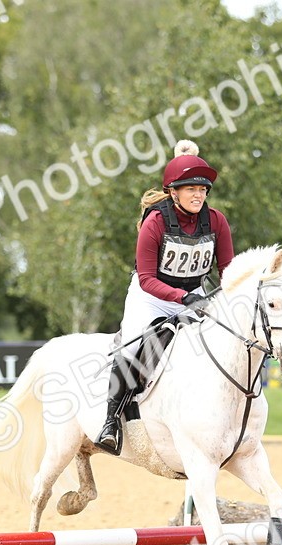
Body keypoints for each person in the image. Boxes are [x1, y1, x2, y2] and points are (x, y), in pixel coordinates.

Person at [94, 140, 235, 454]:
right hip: (151, 295)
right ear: (174, 192)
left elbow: (228, 270)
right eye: (191, 190)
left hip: (195, 292)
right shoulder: (155, 222)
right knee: (132, 345)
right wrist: (183, 298)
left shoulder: (216, 221)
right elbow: (146, 279)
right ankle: (110, 421)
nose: (199, 195)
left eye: (204, 190)